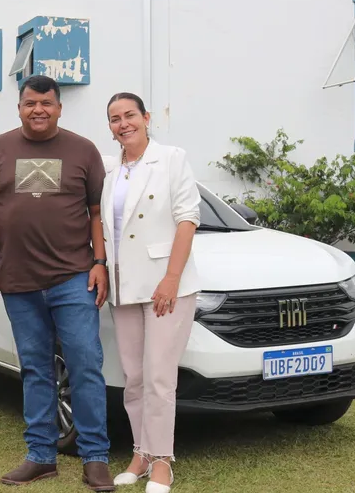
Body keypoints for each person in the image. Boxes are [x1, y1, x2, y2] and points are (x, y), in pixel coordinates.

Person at [0, 75, 115, 492]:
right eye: (30, 103)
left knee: (85, 365)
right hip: (19, 282)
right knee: (35, 370)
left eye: (46, 103)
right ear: (19, 108)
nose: (38, 110)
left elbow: (96, 213)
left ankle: (95, 458)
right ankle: (40, 456)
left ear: (59, 108)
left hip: (74, 278)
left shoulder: (83, 151)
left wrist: (100, 262)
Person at [100, 92, 201, 493]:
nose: (123, 123)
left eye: (129, 115)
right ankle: (140, 454)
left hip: (164, 284)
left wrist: (172, 278)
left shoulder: (171, 158)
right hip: (124, 286)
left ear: (146, 117)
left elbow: (187, 219)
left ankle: (162, 461)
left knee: (160, 376)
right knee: (135, 376)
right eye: (115, 118)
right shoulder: (111, 170)